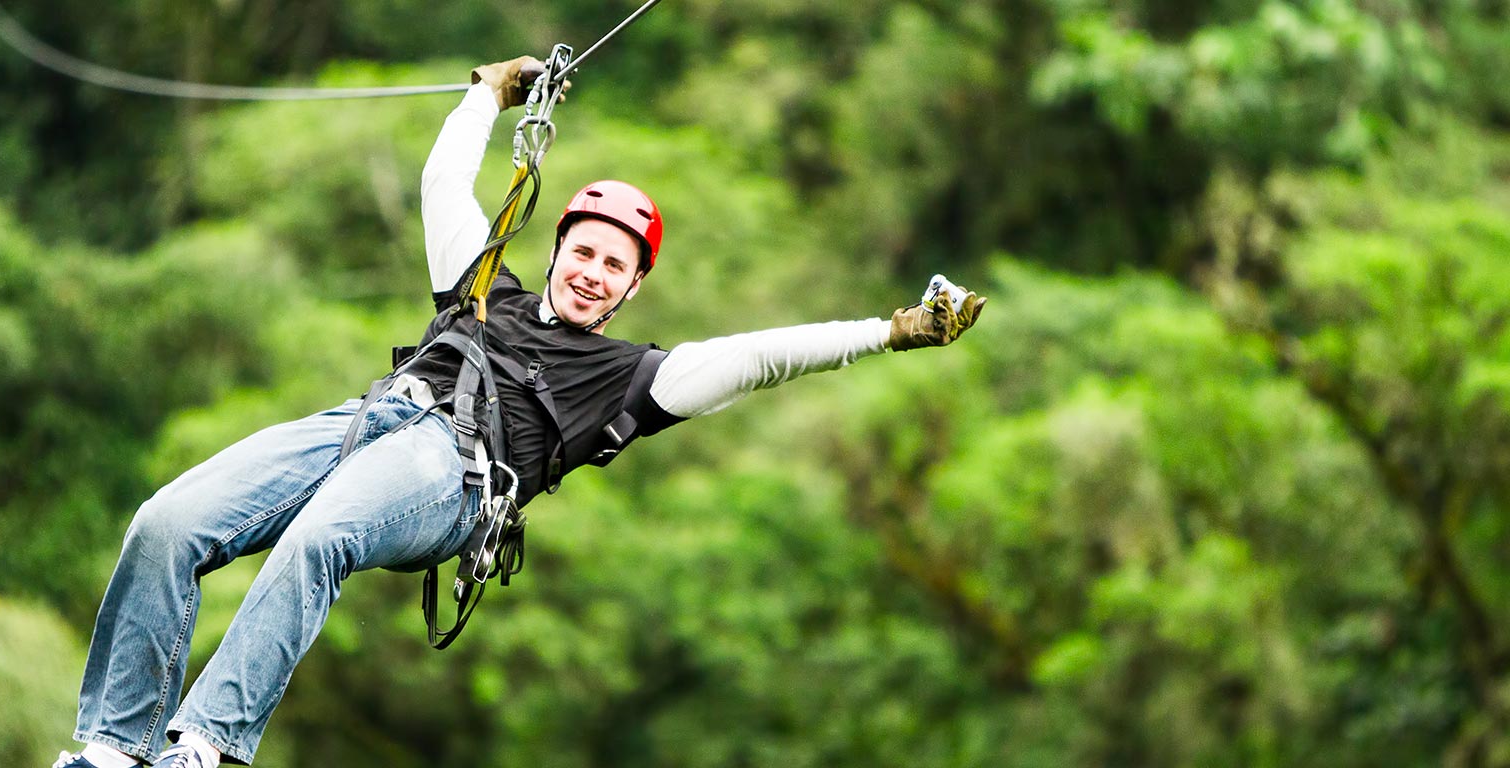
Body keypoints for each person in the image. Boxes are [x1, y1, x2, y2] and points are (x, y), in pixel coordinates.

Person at [54, 55, 985, 768]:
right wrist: (485, 95)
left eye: (615, 267)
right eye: (583, 251)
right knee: (168, 521)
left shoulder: (632, 379)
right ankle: (112, 746)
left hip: (456, 475)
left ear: (628, 290)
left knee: (319, 538)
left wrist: (892, 329)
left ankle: (206, 746)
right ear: (557, 252)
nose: (593, 272)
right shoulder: (480, 286)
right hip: (370, 420)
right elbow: (440, 187)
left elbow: (761, 357)